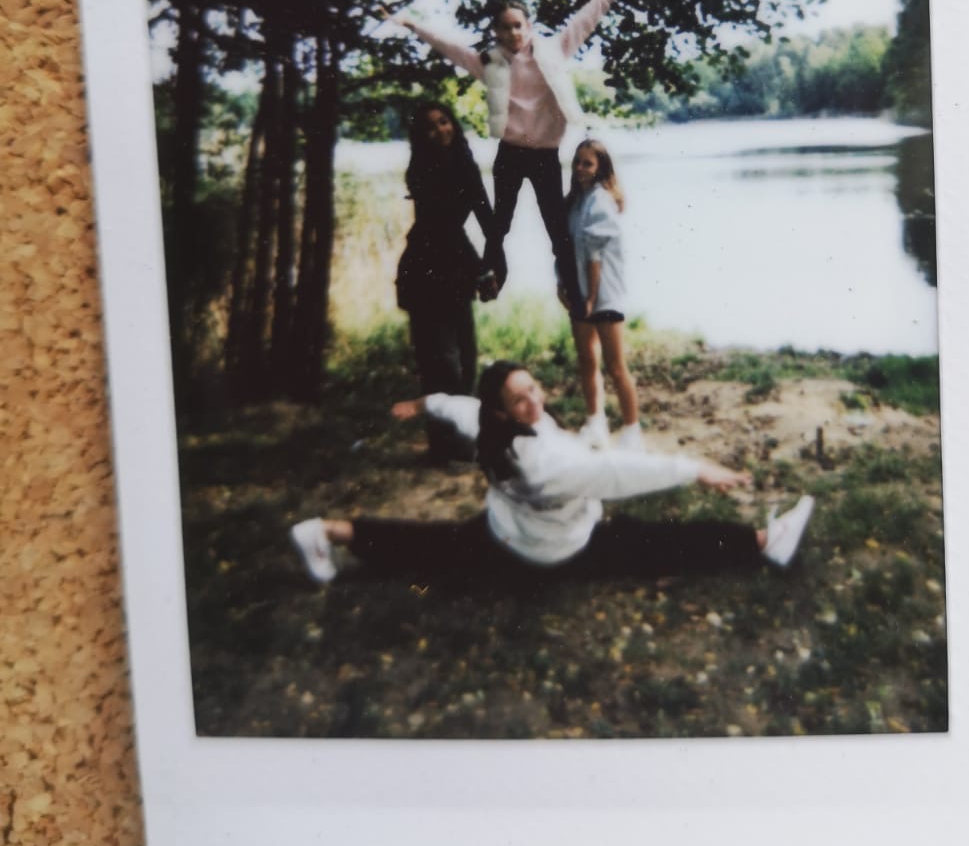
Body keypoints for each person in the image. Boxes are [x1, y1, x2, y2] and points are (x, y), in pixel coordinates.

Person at [290, 360, 814, 585]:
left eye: (533, 388)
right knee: (655, 541)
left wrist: (422, 403)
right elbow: (619, 470)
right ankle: (766, 542)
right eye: (521, 399)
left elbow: (454, 405)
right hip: (558, 551)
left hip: (504, 532)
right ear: (502, 411)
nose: (535, 401)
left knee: (430, 548)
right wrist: (695, 470)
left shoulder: (487, 423)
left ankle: (326, 531)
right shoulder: (548, 466)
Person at [386, 0, 637, 314]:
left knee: (556, 228)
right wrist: (412, 25)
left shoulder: (554, 50)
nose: (513, 33)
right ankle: (492, 279)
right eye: (505, 27)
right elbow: (450, 47)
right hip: (511, 152)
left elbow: (584, 21)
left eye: (518, 25)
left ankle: (575, 292)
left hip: (545, 154)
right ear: (496, 31)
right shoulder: (489, 63)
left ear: (528, 26)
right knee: (498, 226)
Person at [393, 99, 498, 460]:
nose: (440, 130)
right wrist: (481, 269)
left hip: (454, 268)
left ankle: (458, 438)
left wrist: (494, 259)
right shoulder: (422, 170)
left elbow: (484, 211)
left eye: (444, 121)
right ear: (420, 136)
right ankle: (445, 445)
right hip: (426, 270)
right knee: (441, 362)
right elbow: (443, 226)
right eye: (430, 127)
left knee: (466, 358)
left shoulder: (464, 162)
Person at [563, 138, 641, 450]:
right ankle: (596, 423)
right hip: (580, 293)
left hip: (604, 294)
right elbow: (567, 251)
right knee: (586, 360)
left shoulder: (601, 201)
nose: (581, 168)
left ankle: (632, 431)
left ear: (600, 168)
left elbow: (594, 256)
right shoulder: (575, 202)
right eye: (577, 162)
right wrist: (562, 284)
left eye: (588, 163)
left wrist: (592, 298)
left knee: (615, 365)